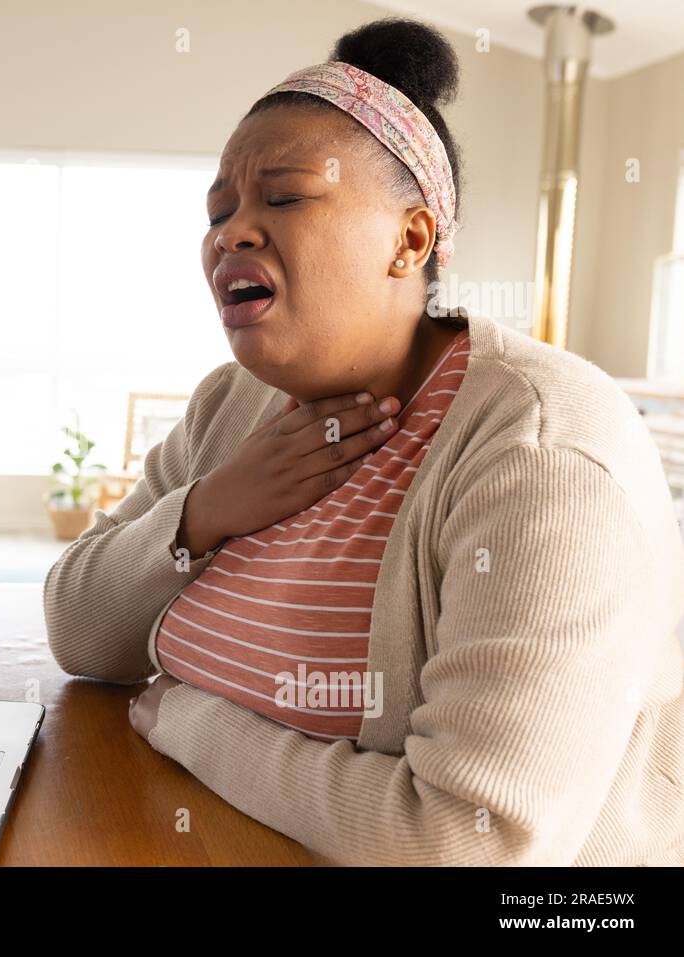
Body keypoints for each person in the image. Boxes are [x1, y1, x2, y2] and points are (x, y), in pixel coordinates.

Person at [42, 17, 684, 865]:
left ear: (411, 239)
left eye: (284, 196)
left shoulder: (541, 448)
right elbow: (80, 632)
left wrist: (196, 722)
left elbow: (463, 842)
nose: (229, 232)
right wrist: (208, 510)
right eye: (220, 209)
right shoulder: (229, 405)